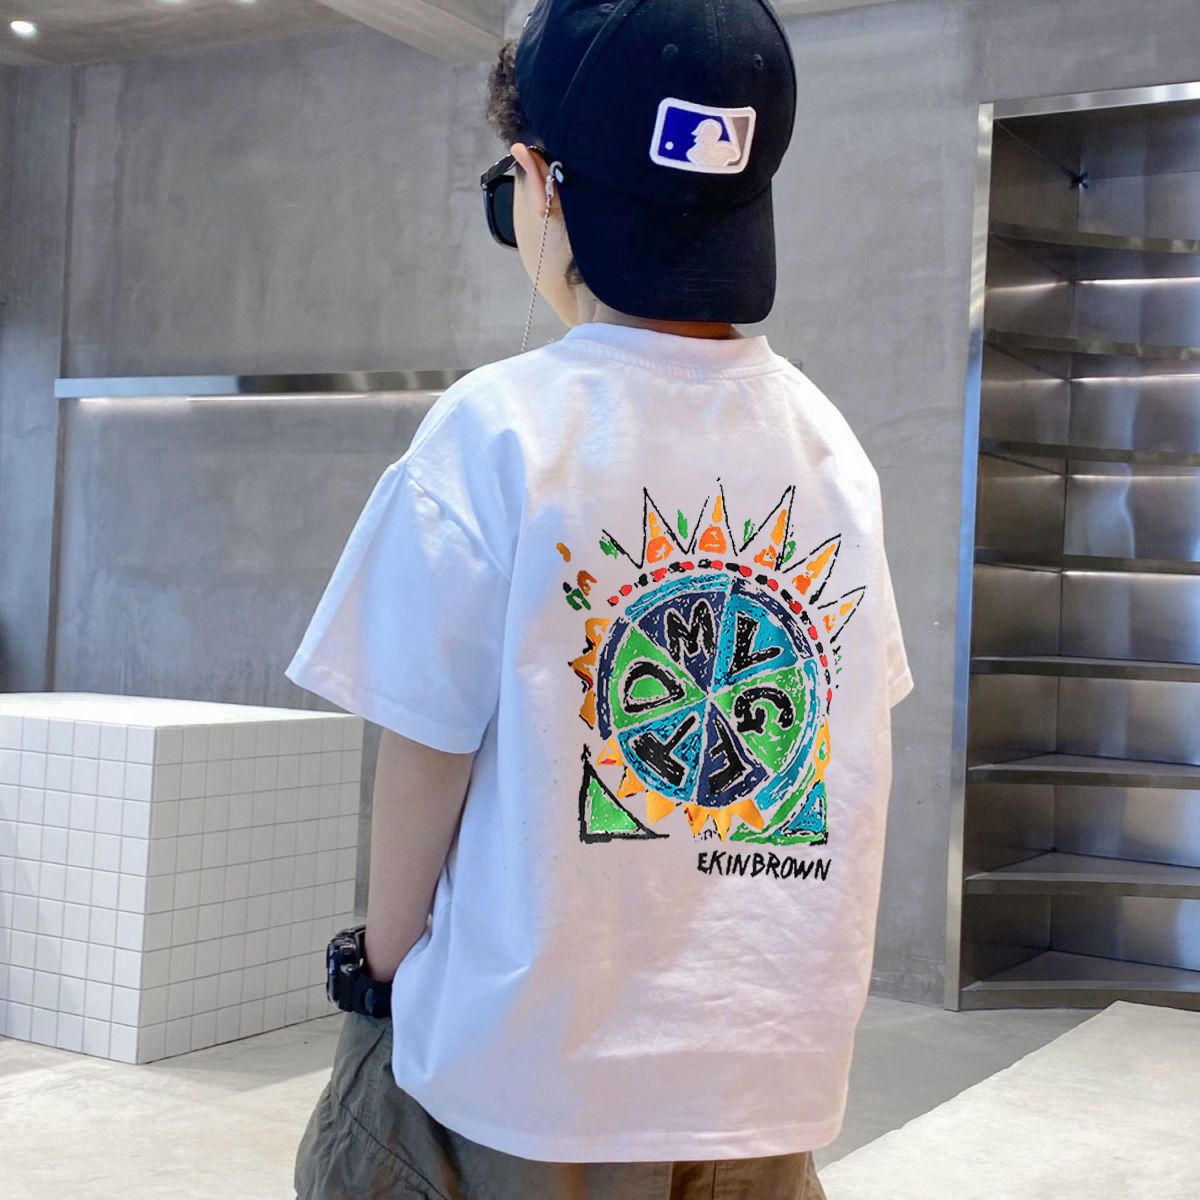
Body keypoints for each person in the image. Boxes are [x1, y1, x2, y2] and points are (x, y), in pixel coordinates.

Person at [285, 1, 913, 1197]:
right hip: (760, 1089)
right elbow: (843, 737)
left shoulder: (498, 430)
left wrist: (383, 965)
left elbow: (425, 752)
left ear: (536, 182)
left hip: (529, 1079)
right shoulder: (831, 447)